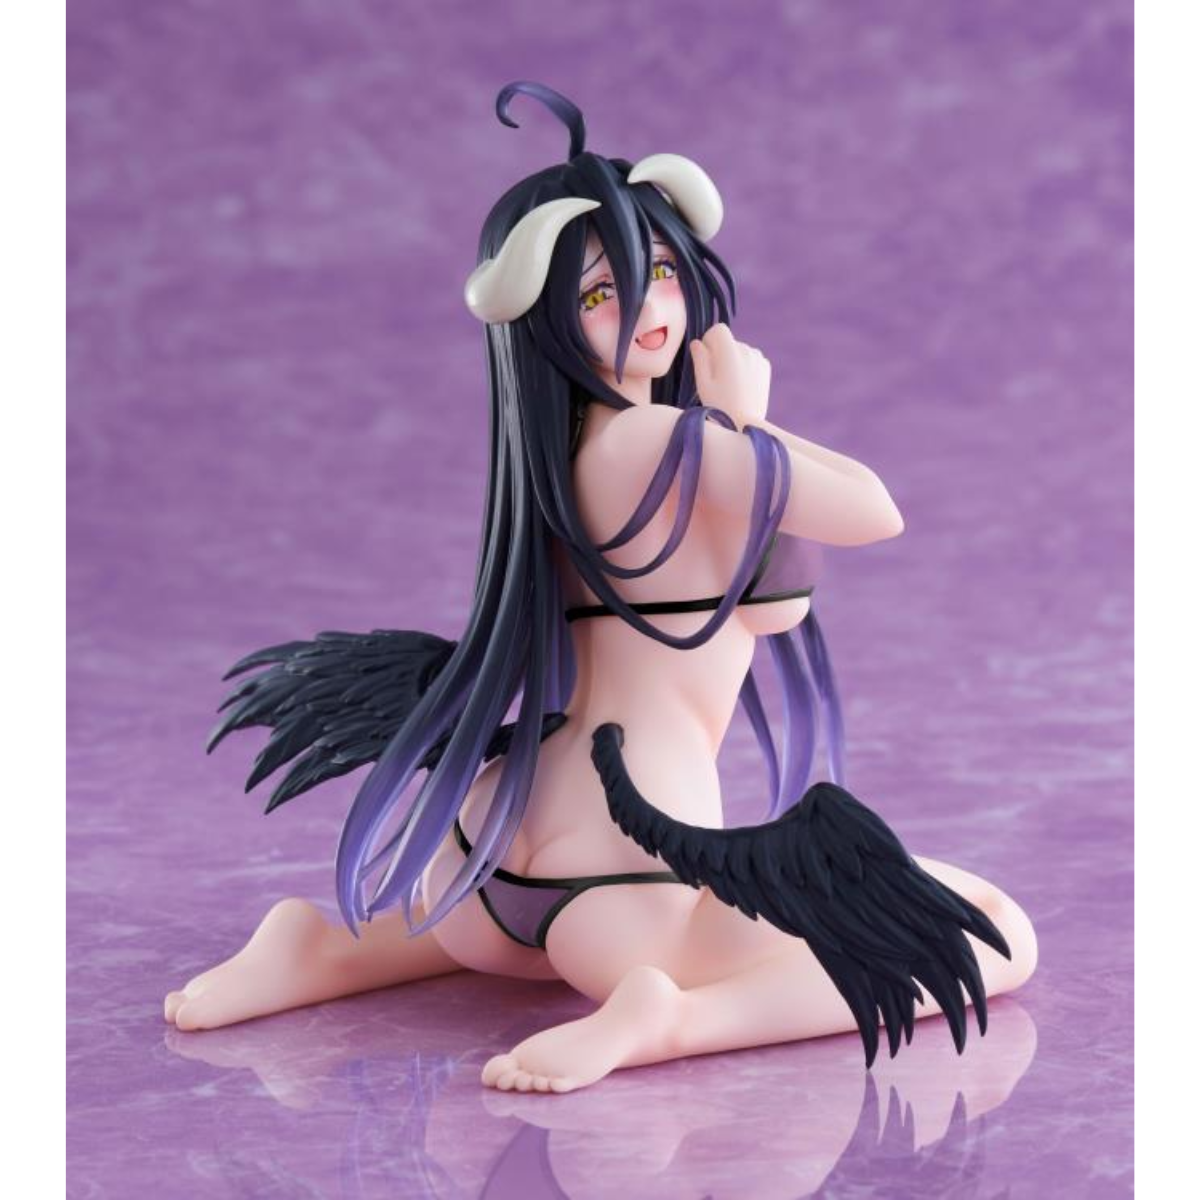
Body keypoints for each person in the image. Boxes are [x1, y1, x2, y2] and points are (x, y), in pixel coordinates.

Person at [165, 82, 1038, 1094]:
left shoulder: (558, 452)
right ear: (546, 322)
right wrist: (748, 418)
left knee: (502, 936)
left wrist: (728, 432)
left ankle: (319, 952)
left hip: (485, 864)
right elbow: (872, 509)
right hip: (627, 861)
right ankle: (673, 1018)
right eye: (598, 295)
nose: (649, 311)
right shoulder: (663, 440)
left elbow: (763, 580)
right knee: (995, 930)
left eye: (660, 274)